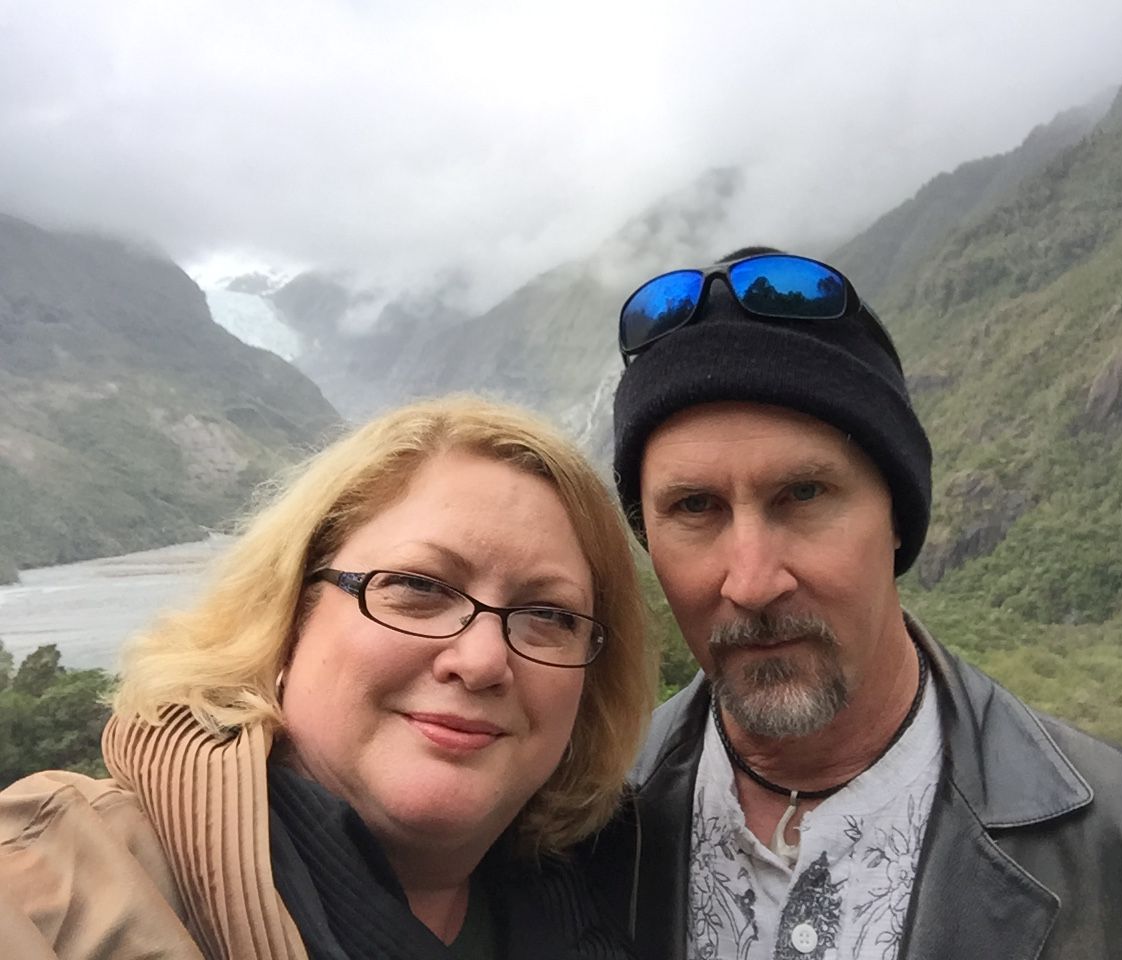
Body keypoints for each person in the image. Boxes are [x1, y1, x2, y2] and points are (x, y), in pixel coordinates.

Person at [577, 248, 1122, 959]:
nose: (752, 582)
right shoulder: (573, 831)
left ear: (898, 515)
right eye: (695, 507)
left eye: (805, 494)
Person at [0, 395, 655, 960]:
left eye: (548, 614)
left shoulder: (623, 891)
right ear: (288, 617)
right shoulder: (66, 874)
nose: (483, 660)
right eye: (417, 587)